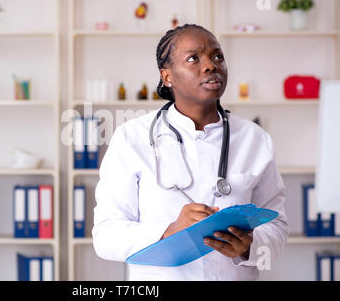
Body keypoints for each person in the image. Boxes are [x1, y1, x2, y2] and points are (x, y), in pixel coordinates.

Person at [92, 23, 289, 280]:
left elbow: (277, 224)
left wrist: (250, 246)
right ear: (167, 76)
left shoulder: (255, 139)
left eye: (217, 56)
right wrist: (169, 232)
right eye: (193, 58)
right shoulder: (132, 138)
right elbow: (105, 236)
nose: (210, 65)